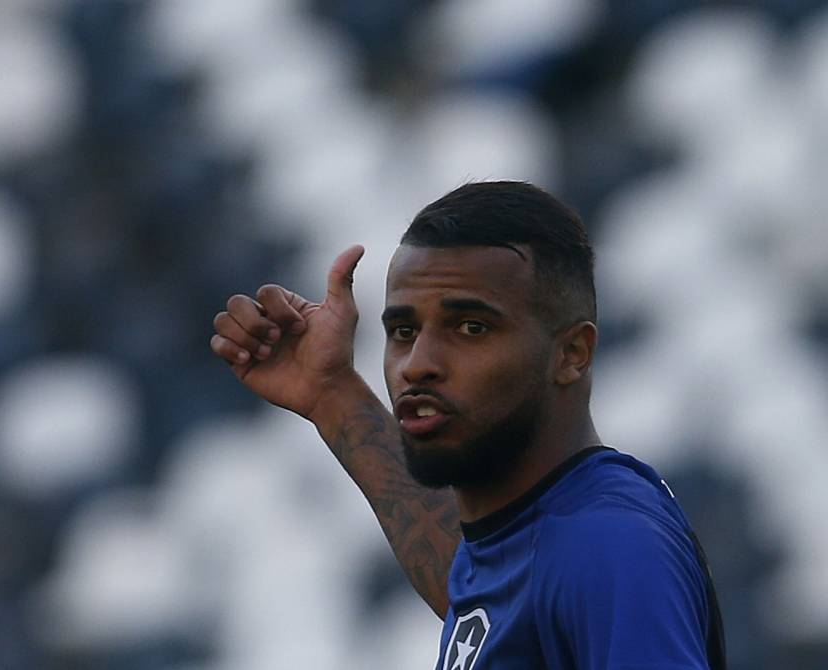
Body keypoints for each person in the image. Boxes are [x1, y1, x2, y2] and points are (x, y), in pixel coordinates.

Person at [209, 181, 726, 669]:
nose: (418, 363)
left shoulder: (607, 544)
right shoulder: (537, 537)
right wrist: (331, 393)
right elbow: (489, 597)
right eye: (404, 331)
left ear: (572, 353)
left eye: (471, 327)